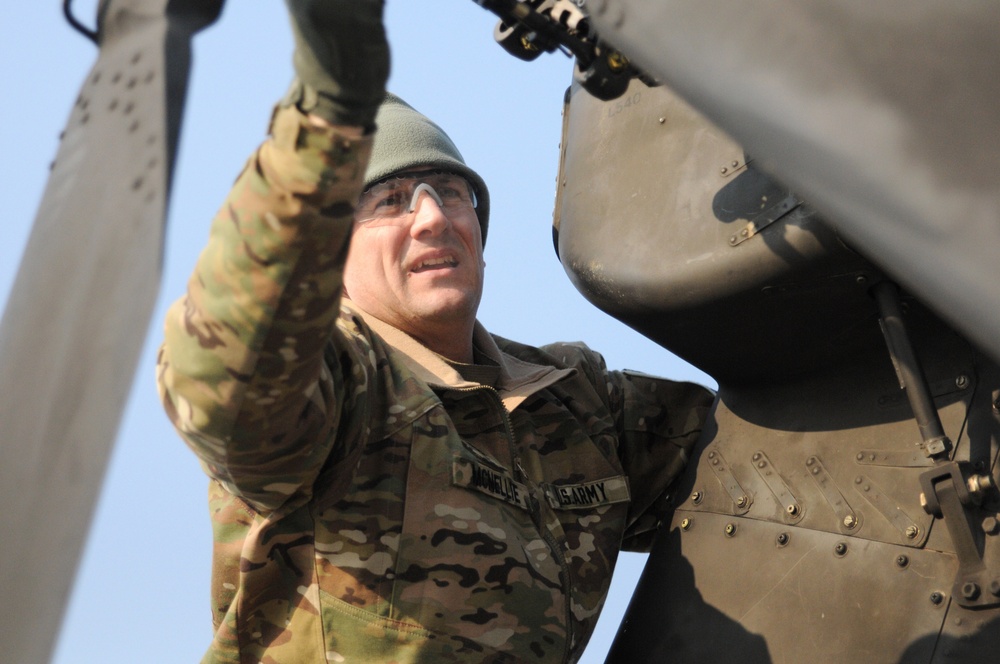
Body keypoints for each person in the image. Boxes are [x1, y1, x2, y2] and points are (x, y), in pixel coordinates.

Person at [156, 2, 713, 661]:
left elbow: (768, 455)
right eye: (390, 200)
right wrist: (328, 117)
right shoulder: (339, 391)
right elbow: (222, 377)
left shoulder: (575, 403)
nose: (432, 218)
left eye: (451, 193)